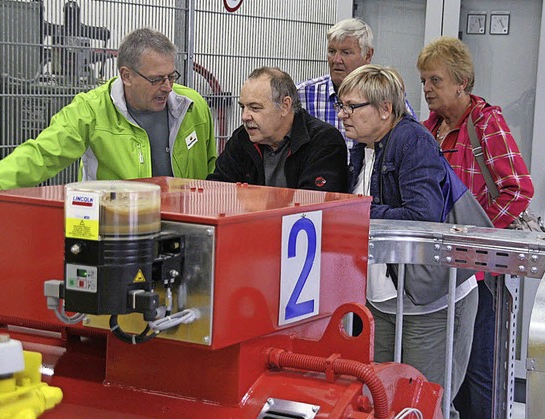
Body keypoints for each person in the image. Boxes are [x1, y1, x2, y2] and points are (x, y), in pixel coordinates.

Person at [338, 64, 491, 418]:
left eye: (351, 106)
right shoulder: (363, 147)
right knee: (382, 399)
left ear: (385, 109)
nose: (342, 114)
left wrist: (359, 210)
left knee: (425, 401)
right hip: (385, 299)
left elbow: (422, 218)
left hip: (431, 303)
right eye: (341, 105)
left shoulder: (411, 141)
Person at [417, 36, 535, 419]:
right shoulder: (428, 128)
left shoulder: (486, 123)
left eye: (435, 80)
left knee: (480, 372)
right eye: (423, 81)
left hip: (481, 271)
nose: (427, 89)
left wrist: (475, 236)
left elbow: (518, 188)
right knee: (449, 368)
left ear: (460, 83)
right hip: (443, 269)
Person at [0, 28, 217, 192]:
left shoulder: (192, 106)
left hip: (185, 225)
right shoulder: (91, 110)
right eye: (156, 79)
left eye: (171, 76)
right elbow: (43, 154)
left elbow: (211, 167)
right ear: (127, 76)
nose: (167, 87)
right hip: (116, 226)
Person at [207, 67, 348, 192]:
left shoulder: (324, 142)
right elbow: (217, 190)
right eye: (243, 107)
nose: (245, 117)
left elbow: (313, 206)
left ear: (285, 106)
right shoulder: (242, 139)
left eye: (255, 108)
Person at [296, 18, 416, 159]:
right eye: (332, 51)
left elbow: (411, 142)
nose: (336, 60)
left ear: (368, 55)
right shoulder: (303, 94)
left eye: (346, 52)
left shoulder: (386, 95)